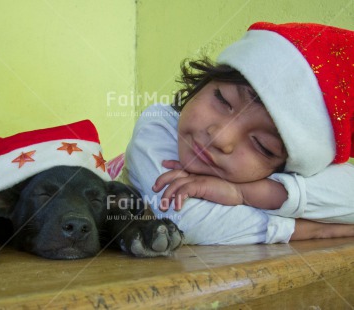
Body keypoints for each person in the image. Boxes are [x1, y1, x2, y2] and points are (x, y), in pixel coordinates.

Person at [123, 21, 354, 244]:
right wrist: (319, 229)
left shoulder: (266, 176)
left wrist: (243, 192)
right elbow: (187, 222)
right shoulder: (158, 125)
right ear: (204, 83)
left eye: (263, 145)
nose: (221, 137)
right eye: (223, 100)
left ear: (287, 167)